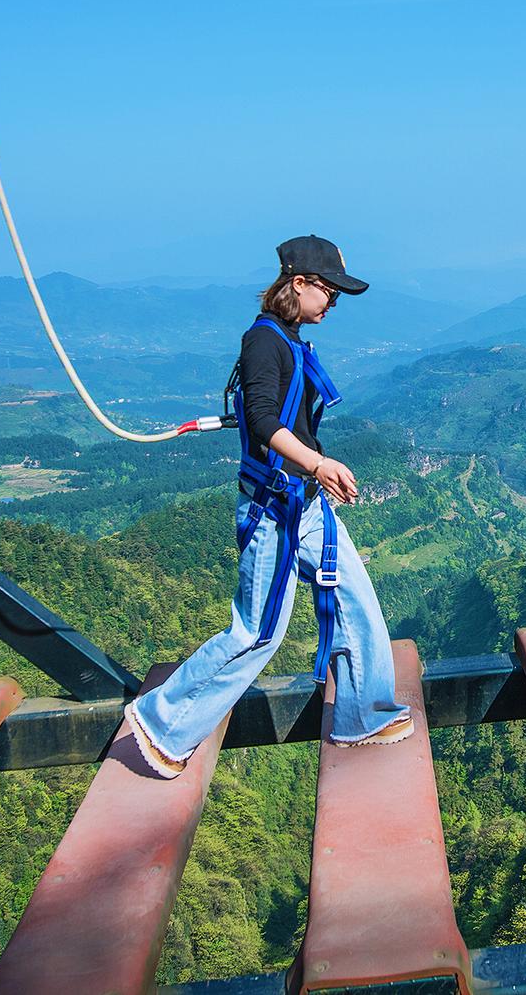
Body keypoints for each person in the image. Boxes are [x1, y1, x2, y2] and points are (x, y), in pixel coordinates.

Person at [122, 235, 412, 779]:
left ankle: (363, 714)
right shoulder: (265, 342)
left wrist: (316, 472)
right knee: (256, 633)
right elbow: (262, 422)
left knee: (354, 597)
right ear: (298, 283)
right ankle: (161, 723)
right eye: (329, 292)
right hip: (274, 509)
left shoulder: (290, 338)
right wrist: (318, 465)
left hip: (301, 502)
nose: (332, 304)